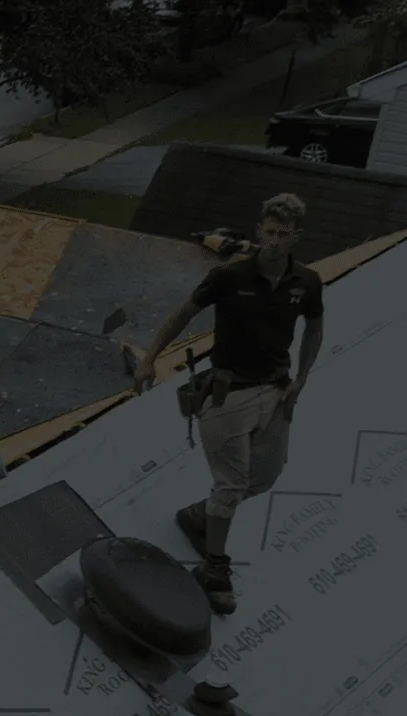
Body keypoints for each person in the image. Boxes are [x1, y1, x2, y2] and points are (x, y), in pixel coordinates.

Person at [134, 194, 325, 600]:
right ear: (259, 231)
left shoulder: (306, 282)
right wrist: (150, 357)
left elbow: (314, 328)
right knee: (231, 485)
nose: (274, 241)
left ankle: (200, 516)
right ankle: (215, 568)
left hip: (275, 393)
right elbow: (181, 315)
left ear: (296, 237)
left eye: (283, 235)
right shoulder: (229, 277)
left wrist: (302, 379)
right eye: (268, 233)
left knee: (266, 476)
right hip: (226, 396)